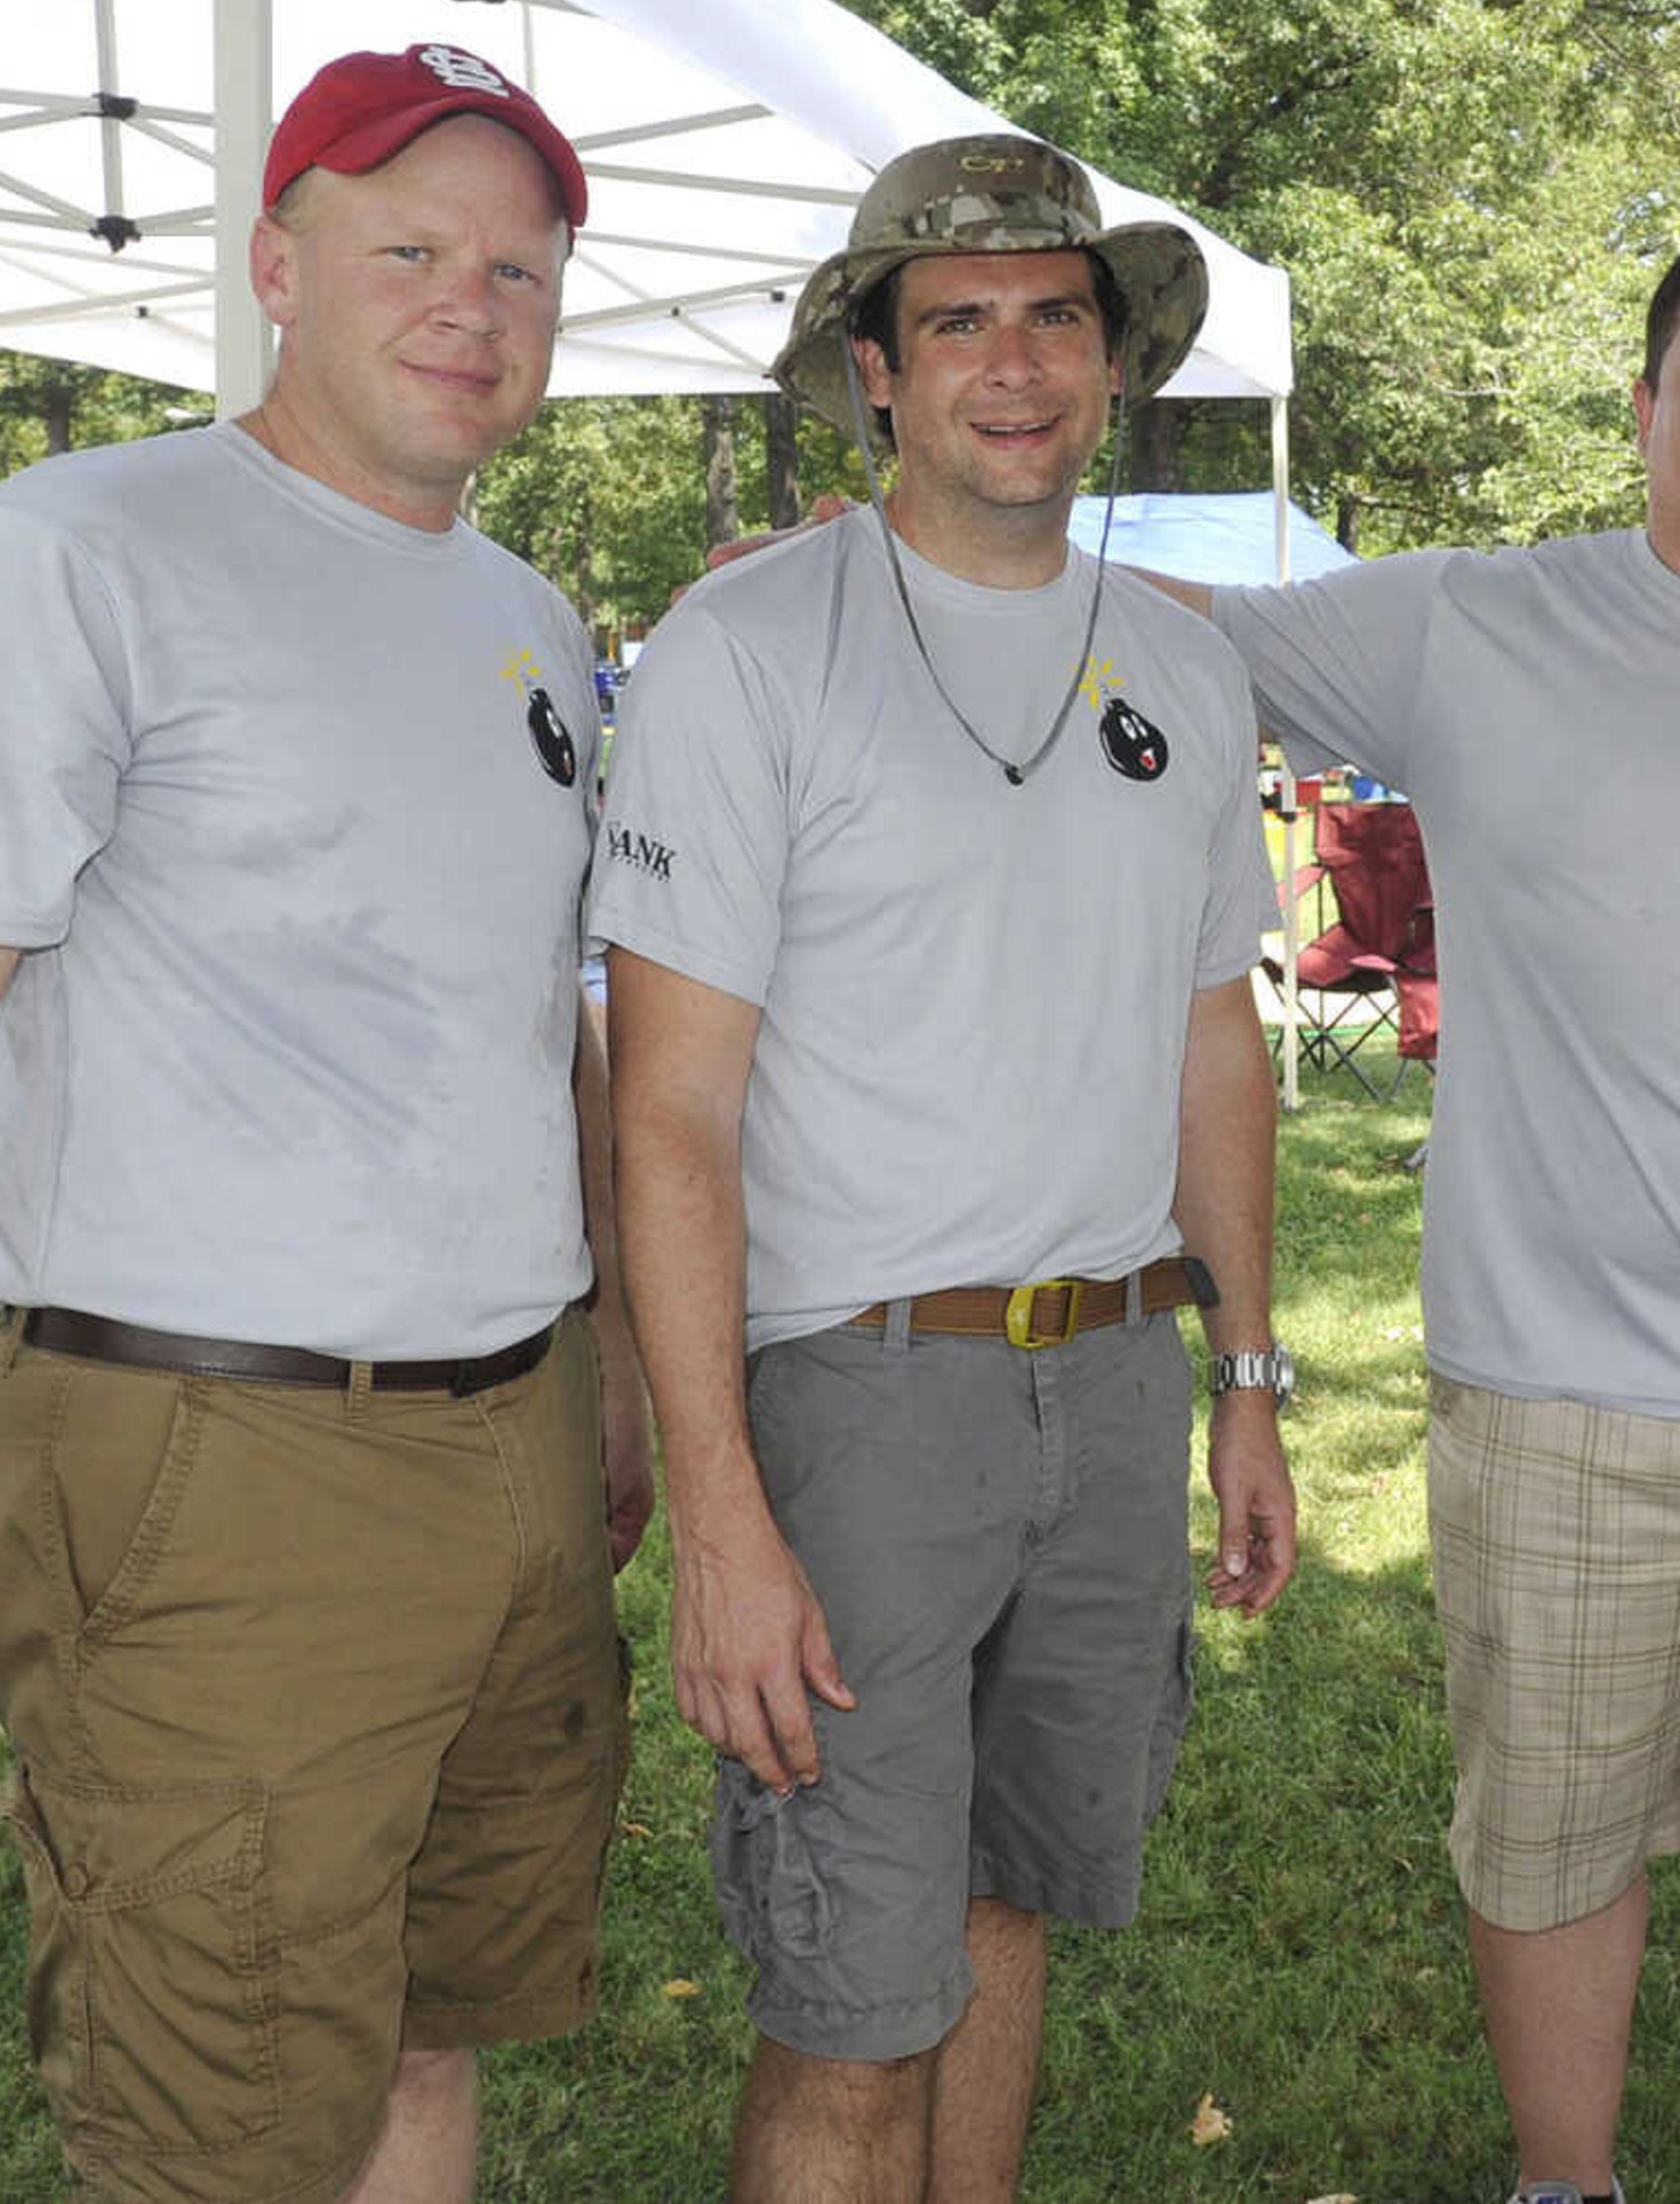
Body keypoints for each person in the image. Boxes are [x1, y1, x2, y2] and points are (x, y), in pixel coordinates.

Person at [0, 42, 650, 2202]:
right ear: (276, 262)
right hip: (217, 1467)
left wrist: (618, 1369)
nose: (473, 304)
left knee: (426, 2037)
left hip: (518, 1436)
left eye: (521, 270)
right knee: (215, 2138)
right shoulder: (89, 546)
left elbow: (539, 1027)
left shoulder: (531, 616)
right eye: (409, 250)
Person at [1146, 220, 1680, 2204]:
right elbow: (1139, 631)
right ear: (1643, 412)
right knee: (1548, 1832)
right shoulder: (1472, 626)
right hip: (1551, 1391)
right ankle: (1570, 2181)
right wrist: (887, 571)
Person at [593, 135, 1295, 2204]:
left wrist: (1249, 1377)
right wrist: (719, 1507)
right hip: (853, 1396)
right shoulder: (750, 648)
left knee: (1003, 1918)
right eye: (957, 320)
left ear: (1110, 365)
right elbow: (671, 1108)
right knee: (843, 1996)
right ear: (878, 371)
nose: (1012, 363)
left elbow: (1210, 1035)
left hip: (1115, 1379)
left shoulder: (1180, 662)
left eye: (1053, 317)